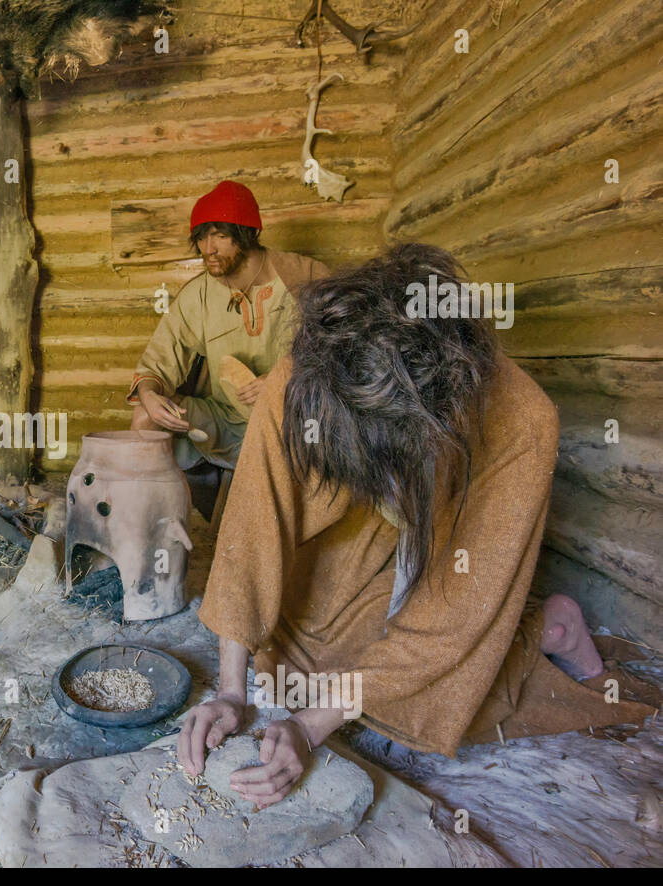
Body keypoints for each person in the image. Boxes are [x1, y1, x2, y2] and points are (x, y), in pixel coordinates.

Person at [178, 243, 656, 806]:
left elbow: (452, 616)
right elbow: (256, 516)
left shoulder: (522, 423)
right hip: (362, 545)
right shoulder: (314, 367)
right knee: (304, 669)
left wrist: (309, 727)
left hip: (441, 549)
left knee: (437, 698)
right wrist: (231, 689)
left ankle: (546, 630)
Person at [128, 180, 330, 518]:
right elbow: (157, 364)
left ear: (246, 233)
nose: (209, 248)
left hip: (291, 424)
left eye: (220, 235)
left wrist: (284, 378)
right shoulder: (200, 295)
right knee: (145, 416)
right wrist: (149, 393)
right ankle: (151, 529)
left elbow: (345, 348)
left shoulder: (303, 276)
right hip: (226, 422)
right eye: (202, 237)